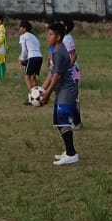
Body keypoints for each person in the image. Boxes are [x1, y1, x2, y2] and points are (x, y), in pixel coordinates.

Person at [36, 20, 79, 166]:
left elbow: (57, 76)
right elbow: (52, 73)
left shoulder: (59, 52)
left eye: (50, 34)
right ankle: (68, 151)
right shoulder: (55, 50)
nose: (47, 37)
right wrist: (42, 89)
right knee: (58, 120)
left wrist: (47, 94)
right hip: (61, 90)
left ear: (58, 37)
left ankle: (72, 154)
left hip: (67, 89)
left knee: (62, 118)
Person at [18, 19, 42, 98]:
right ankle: (37, 96)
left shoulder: (23, 36)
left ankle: (32, 96)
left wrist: (22, 59)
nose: (19, 29)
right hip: (39, 57)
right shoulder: (34, 36)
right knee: (33, 77)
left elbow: (24, 51)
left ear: (24, 29)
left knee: (27, 77)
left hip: (32, 57)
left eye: (20, 27)